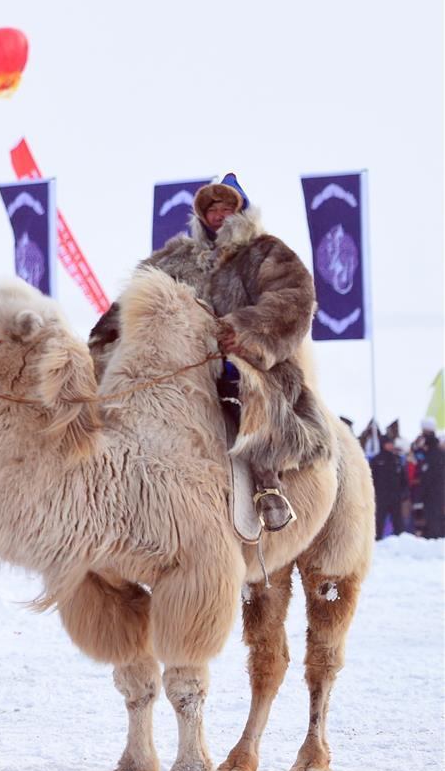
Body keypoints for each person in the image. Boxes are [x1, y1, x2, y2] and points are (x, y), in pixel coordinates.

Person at [89, 173, 330, 532]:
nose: (218, 214)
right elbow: (133, 302)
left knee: (250, 395)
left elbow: (292, 300)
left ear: (241, 209)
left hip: (244, 361)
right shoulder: (173, 259)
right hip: (176, 362)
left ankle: (267, 486)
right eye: (211, 208)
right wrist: (100, 342)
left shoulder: (266, 252)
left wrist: (247, 334)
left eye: (226, 206)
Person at [412, 418, 444, 538]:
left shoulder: (435, 454)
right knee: (428, 518)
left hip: (434, 493)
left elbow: (428, 477)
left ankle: (435, 540)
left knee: (434, 519)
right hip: (429, 493)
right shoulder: (427, 453)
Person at [369, 436, 406, 539]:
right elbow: (371, 478)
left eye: (391, 443)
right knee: (379, 520)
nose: (391, 446)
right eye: (388, 444)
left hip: (395, 496)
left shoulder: (397, 459)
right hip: (381, 496)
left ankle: (400, 539)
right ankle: (377, 540)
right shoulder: (377, 460)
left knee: (398, 521)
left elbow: (403, 478)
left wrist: (404, 491)